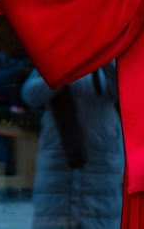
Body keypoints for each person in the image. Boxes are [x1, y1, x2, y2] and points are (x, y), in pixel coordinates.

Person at [22, 63, 124, 229]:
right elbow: (31, 95)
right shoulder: (55, 58)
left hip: (100, 165)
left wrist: (104, 60)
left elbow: (127, 93)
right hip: (58, 164)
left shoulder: (107, 59)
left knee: (101, 220)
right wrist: (65, 68)